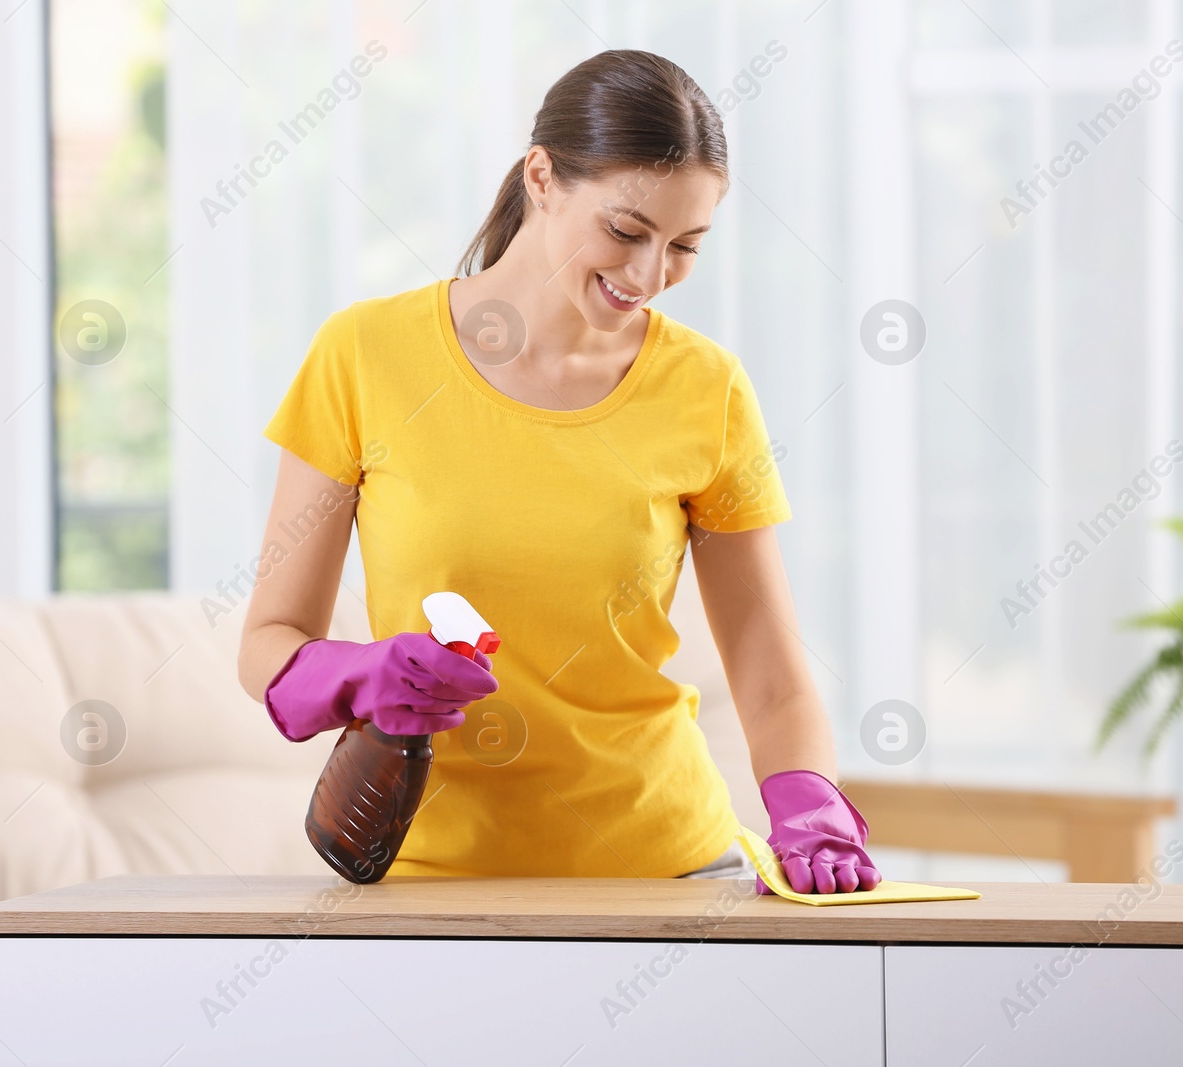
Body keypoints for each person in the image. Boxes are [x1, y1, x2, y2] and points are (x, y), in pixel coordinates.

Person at [237, 49, 879, 895]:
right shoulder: (364, 356)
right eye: (625, 231)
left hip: (669, 873)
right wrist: (354, 674)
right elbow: (266, 643)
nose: (650, 277)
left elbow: (765, 661)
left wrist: (809, 800)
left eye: (686, 245)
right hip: (428, 883)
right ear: (541, 176)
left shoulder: (706, 386)